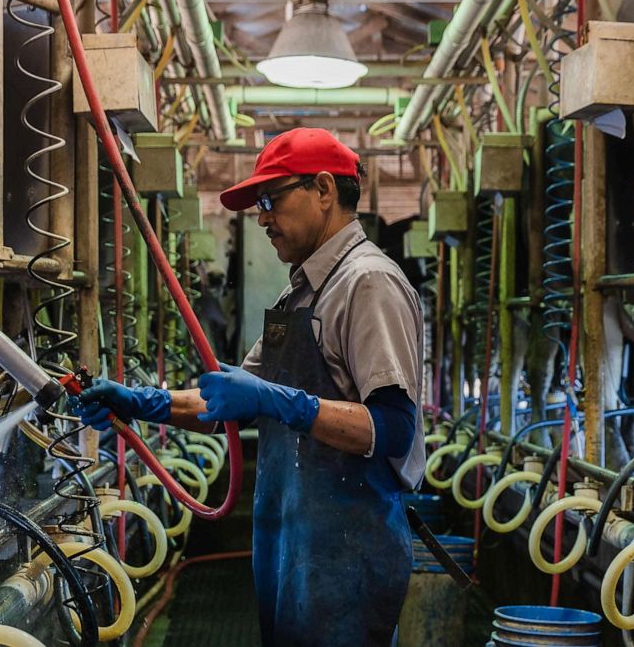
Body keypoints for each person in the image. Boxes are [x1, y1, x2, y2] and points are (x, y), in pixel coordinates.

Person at [73, 128, 426, 646]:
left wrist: (281, 402)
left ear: (324, 190)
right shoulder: (300, 293)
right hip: (296, 544)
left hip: (347, 549)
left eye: (271, 199)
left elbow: (392, 428)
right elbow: (232, 398)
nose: (261, 218)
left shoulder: (367, 283)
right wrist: (143, 403)